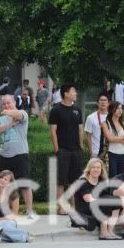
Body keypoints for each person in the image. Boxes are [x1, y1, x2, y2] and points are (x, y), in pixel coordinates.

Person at [0, 94, 35, 218]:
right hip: (4, 155)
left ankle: (29, 211)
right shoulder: (1, 119)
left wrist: (8, 112)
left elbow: (19, 115)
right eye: (4, 103)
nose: (6, 105)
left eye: (8, 102)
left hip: (20, 154)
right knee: (2, 185)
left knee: (24, 184)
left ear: (14, 103)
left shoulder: (22, 113)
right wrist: (8, 125)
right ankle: (3, 210)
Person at [49, 83, 85, 212]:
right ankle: (61, 208)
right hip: (63, 150)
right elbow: (53, 130)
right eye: (73, 91)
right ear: (66, 94)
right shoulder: (56, 110)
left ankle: (74, 207)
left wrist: (81, 146)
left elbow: (80, 129)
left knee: (74, 180)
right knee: (61, 181)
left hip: (76, 150)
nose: (75, 94)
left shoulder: (77, 110)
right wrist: (57, 148)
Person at [71, 158, 123, 240]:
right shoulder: (83, 181)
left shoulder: (101, 181)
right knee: (105, 203)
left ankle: (110, 231)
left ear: (101, 170)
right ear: (89, 169)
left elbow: (107, 195)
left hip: (96, 206)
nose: (96, 169)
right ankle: (103, 232)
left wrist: (116, 193)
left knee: (117, 202)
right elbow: (87, 199)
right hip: (84, 209)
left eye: (98, 167)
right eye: (93, 167)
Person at [0, 170, 32, 241]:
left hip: (7, 221)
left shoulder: (14, 196)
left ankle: (23, 237)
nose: (2, 180)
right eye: (1, 177)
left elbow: (13, 216)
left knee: (3, 226)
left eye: (5, 179)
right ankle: (6, 236)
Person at [101, 100, 124, 177]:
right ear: (112, 110)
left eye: (121, 108)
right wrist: (123, 138)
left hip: (123, 153)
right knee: (112, 177)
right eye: (117, 108)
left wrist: (118, 139)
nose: (120, 110)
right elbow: (110, 139)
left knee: (122, 177)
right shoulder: (105, 123)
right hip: (111, 154)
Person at [84, 92, 111, 162]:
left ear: (109, 103)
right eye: (101, 100)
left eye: (105, 100)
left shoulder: (113, 117)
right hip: (96, 153)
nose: (103, 102)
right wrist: (91, 153)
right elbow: (88, 137)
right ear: (97, 103)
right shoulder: (91, 117)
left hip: (111, 152)